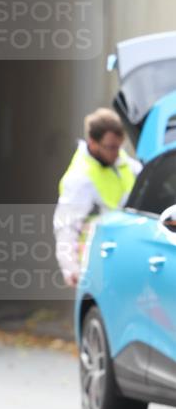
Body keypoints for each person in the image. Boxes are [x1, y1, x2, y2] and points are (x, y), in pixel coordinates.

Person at [54, 107, 142, 286]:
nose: (116, 152)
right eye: (110, 147)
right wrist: (70, 267)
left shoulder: (124, 163)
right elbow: (66, 226)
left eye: (119, 146)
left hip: (129, 254)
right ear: (92, 142)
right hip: (97, 261)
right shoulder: (80, 178)